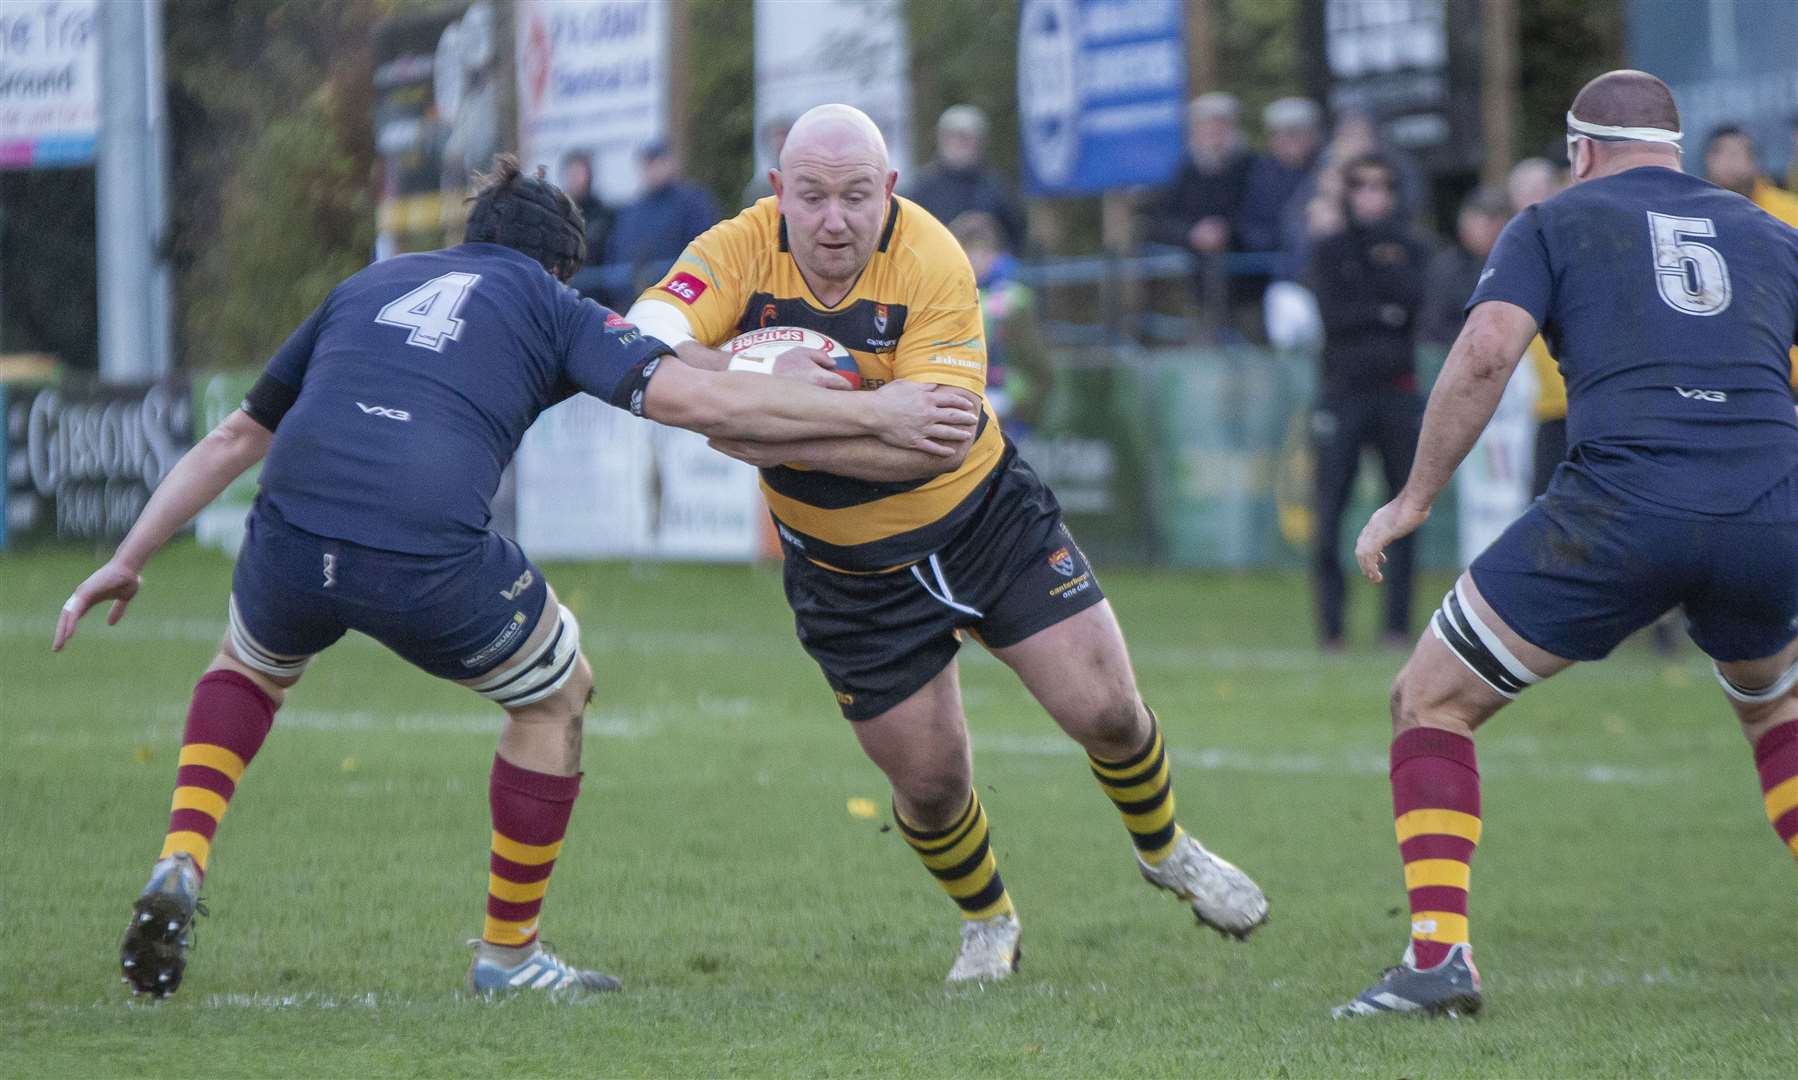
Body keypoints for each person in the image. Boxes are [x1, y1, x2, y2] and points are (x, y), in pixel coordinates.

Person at [55, 156, 978, 1001]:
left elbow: (232, 439)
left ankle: (182, 853)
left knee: (249, 665)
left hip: (292, 521)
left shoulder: (366, 284)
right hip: (423, 540)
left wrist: (128, 557)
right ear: (562, 267)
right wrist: (878, 410)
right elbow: (693, 397)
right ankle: (508, 956)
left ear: (471, 237)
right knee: (557, 694)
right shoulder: (552, 306)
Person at [624, 103, 1268, 983]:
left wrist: (762, 423)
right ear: (779, 193)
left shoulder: (930, 256)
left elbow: (935, 438)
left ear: (889, 190)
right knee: (929, 788)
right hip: (846, 572)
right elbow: (639, 344)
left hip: (984, 524)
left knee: (1109, 712)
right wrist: (766, 382)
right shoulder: (738, 246)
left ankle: (1165, 848)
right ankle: (988, 920)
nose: (834, 219)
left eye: (857, 195)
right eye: (811, 197)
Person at [1339, 70, 1798, 1018]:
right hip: (1767, 506)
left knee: (1429, 698)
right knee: (1773, 710)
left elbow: (1482, 352)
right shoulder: (1771, 232)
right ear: (1677, 149)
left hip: (1623, 506)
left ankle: (1439, 961)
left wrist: (1414, 499)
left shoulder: (1551, 221)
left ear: (1580, 152)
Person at [1304, 154, 1429, 653]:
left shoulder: (1413, 247)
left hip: (1397, 393)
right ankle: (1332, 629)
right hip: (1343, 394)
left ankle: (1396, 627)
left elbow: (1416, 303)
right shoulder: (1330, 249)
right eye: (1362, 186)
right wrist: (1384, 309)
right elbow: (1336, 314)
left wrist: (1376, 304)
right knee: (1330, 512)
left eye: (1382, 186)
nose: (1372, 195)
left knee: (1407, 509)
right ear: (1348, 192)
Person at [1146, 93, 1258, 340]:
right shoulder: (1184, 173)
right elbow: (1159, 221)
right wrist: (1192, 234)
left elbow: (1263, 217)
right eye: (1207, 126)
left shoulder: (1252, 167)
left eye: (1221, 126)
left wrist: (1228, 231)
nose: (1214, 133)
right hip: (1200, 290)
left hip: (1250, 288)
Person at [949, 210, 1051, 433]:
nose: (972, 261)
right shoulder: (945, 298)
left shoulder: (1015, 300)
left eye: (979, 252)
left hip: (1009, 412)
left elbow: (1038, 366)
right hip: (962, 407)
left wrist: (1024, 409)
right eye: (965, 252)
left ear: (994, 254)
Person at [1506, 158, 1571, 496]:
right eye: (1531, 191)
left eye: (1546, 187)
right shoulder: (1515, 251)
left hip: (1588, 402)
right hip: (1547, 407)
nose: (1541, 197)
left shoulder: (1575, 239)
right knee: (1544, 502)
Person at [604, 140, 722, 299]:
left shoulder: (693, 201)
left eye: (657, 162)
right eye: (647, 164)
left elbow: (705, 249)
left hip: (683, 298)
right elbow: (615, 255)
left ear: (671, 163)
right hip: (635, 301)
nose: (652, 169)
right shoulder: (632, 210)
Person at [905, 104, 1027, 252]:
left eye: (965, 137)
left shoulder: (997, 187)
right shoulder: (921, 188)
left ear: (980, 141)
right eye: (952, 136)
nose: (958, 143)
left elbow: (1017, 233)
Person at [1236, 97, 1322, 280]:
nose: (1288, 141)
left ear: (1313, 134)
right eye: (1280, 134)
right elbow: (1250, 225)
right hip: (1274, 271)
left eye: (1295, 132)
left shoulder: (1329, 170)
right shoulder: (1259, 173)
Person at [1417, 187, 1510, 347]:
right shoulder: (1446, 267)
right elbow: (1435, 326)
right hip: (1456, 352)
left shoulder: (1514, 265)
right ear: (1464, 225)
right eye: (1483, 221)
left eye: (1497, 220)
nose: (1491, 229)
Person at [1705, 124, 1798, 227]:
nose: (1728, 162)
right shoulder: (1698, 210)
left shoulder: (1789, 210)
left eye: (1735, 154)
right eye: (1719, 153)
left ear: (1755, 162)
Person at [558, 150, 615, 302]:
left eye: (579, 174)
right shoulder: (558, 214)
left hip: (599, 296)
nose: (575, 179)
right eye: (571, 174)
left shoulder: (604, 215)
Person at [742, 115, 792, 206]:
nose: (780, 141)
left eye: (784, 134)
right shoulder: (760, 189)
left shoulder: (809, 179)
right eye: (775, 136)